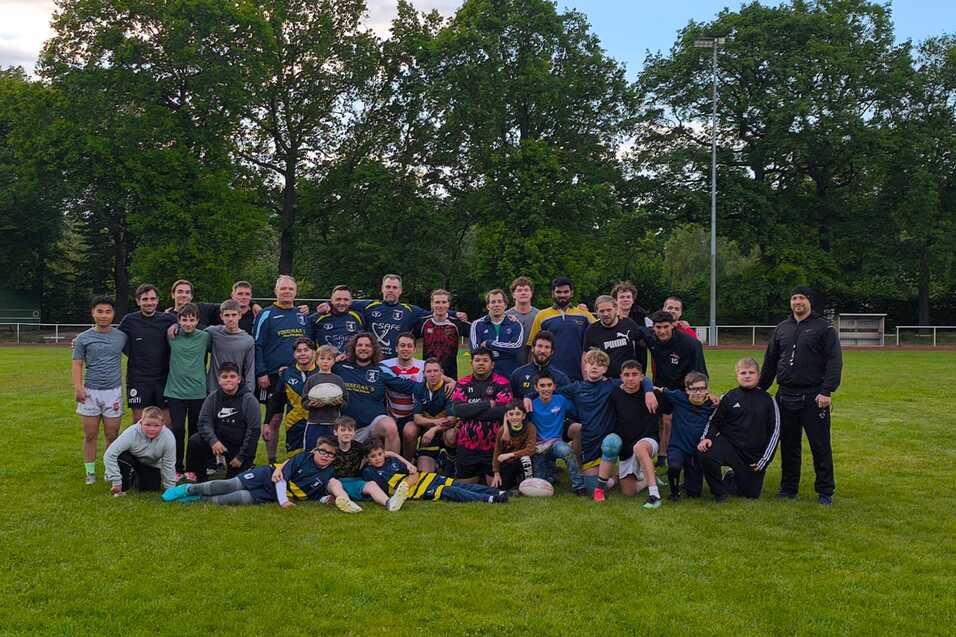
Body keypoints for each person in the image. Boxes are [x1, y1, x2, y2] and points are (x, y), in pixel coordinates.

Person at [759, 286, 843, 505]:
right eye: (794, 298)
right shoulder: (782, 328)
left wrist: (827, 391)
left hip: (814, 396)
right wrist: (760, 389)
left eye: (802, 298)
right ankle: (789, 488)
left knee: (820, 445)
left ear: (809, 301)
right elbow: (770, 361)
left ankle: (825, 491)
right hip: (785, 395)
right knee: (789, 445)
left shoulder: (824, 328)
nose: (798, 302)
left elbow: (834, 360)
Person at [533, 349, 656, 493]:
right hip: (590, 443)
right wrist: (528, 397)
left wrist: (649, 391)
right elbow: (549, 391)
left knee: (612, 443)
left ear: (605, 369)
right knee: (592, 488)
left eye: (600, 364)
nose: (595, 367)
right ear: (585, 367)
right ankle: (615, 478)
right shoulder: (576, 388)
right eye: (591, 363)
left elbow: (642, 379)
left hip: (610, 440)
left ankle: (628, 471)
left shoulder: (611, 385)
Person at [162, 437, 360, 510]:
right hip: (267, 476)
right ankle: (188, 489)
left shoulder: (328, 474)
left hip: (269, 495)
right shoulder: (303, 458)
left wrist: (326, 500)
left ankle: (197, 499)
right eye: (323, 452)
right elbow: (281, 477)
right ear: (315, 450)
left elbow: (315, 495)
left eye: (330, 455)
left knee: (231, 499)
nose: (326, 456)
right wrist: (284, 501)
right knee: (228, 485)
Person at [698, 358, 781, 501]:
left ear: (758, 375)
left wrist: (764, 460)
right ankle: (719, 492)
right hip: (730, 446)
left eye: (751, 372)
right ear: (737, 376)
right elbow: (714, 421)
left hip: (752, 454)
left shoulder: (768, 399)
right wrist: (707, 438)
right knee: (706, 452)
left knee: (750, 495)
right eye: (743, 373)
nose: (747, 376)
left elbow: (775, 431)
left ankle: (732, 476)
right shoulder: (729, 396)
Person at [253, 275, 314, 463]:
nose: (287, 292)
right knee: (274, 418)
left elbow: (310, 345)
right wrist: (261, 372)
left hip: (300, 375)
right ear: (276, 291)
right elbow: (257, 345)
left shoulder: (302, 315)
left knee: (302, 416)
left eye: (290, 289)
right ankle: (272, 461)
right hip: (273, 376)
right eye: (283, 288)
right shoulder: (266, 314)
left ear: (295, 292)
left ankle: (302, 457)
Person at [639, 310, 709, 468]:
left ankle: (681, 456)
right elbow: (637, 330)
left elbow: (701, 372)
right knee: (656, 418)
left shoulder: (691, 344)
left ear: (673, 326)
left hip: (684, 388)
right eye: (658, 327)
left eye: (666, 327)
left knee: (673, 421)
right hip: (661, 387)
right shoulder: (651, 337)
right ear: (653, 328)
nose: (662, 331)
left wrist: (701, 393)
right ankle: (657, 456)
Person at [72, 296, 127, 484]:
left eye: (108, 312)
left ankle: (110, 470)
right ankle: (90, 473)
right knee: (90, 434)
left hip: (113, 392)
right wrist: (78, 387)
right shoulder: (83, 338)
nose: (104, 315)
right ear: (93, 313)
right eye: (100, 311)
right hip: (90, 393)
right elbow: (77, 364)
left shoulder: (121, 337)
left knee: (112, 435)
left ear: (113, 314)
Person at [332, 332, 417, 452]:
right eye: (360, 345)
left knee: (390, 426)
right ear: (353, 348)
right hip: (345, 428)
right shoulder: (339, 367)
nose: (363, 348)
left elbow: (408, 385)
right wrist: (334, 359)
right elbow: (319, 371)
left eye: (368, 345)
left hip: (373, 426)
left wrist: (440, 382)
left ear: (374, 349)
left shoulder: (381, 370)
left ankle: (392, 463)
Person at [593, 361, 661, 508]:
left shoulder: (652, 394)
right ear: (621, 377)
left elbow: (679, 399)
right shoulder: (615, 394)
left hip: (648, 440)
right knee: (628, 492)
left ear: (642, 377)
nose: (630, 378)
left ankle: (654, 495)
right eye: (627, 375)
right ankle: (648, 477)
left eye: (635, 374)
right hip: (627, 445)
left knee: (640, 448)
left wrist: (709, 398)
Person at [362, 439, 507, 503]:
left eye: (380, 454)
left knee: (458, 485)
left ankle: (497, 492)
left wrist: (393, 455)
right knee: (453, 492)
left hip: (426, 478)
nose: (378, 458)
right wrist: (409, 482)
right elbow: (385, 491)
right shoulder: (370, 472)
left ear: (384, 453)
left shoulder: (392, 461)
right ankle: (490, 499)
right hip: (420, 490)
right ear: (367, 459)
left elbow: (413, 472)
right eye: (373, 456)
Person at [185, 362, 260, 481]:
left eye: (232, 376)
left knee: (234, 483)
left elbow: (253, 432)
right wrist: (213, 441)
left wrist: (241, 457)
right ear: (219, 380)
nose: (228, 380)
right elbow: (203, 422)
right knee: (195, 441)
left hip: (238, 447)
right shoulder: (213, 397)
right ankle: (200, 476)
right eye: (224, 377)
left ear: (239, 379)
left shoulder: (249, 400)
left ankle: (246, 466)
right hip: (218, 443)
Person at [449, 347, 513, 484]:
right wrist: (487, 404)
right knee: (466, 489)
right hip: (467, 445)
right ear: (471, 363)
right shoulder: (463, 383)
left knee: (496, 488)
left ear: (492, 364)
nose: (481, 363)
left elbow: (503, 411)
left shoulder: (502, 383)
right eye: (477, 360)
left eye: (485, 360)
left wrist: (469, 412)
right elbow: (458, 410)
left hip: (493, 446)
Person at [118, 283, 178, 423]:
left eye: (152, 299)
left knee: (166, 422)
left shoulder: (169, 319)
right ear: (138, 301)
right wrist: (82, 339)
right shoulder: (129, 320)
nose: (149, 302)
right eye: (145, 299)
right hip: (138, 379)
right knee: (139, 421)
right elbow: (113, 338)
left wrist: (177, 325)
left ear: (157, 300)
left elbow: (189, 329)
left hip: (164, 379)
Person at [164, 303, 211, 479]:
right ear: (179, 320)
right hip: (175, 391)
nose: (188, 323)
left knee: (194, 431)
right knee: (177, 429)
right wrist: (173, 327)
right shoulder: (172, 335)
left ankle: (192, 467)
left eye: (192, 320)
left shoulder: (205, 337)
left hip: (198, 391)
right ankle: (177, 467)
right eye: (184, 320)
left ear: (197, 320)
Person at [329, 416, 410, 513]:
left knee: (371, 484)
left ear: (354, 433)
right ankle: (348, 503)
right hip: (334, 482)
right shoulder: (330, 447)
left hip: (354, 481)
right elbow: (317, 454)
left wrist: (408, 464)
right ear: (335, 432)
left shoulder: (358, 447)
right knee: (334, 482)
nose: (346, 433)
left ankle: (390, 503)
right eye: (343, 430)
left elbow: (389, 453)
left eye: (350, 430)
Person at [658, 371, 716, 501]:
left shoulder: (711, 405)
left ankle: (690, 480)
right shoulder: (679, 397)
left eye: (702, 388)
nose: (698, 392)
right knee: (674, 466)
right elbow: (658, 389)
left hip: (697, 449)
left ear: (707, 389)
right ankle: (674, 493)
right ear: (687, 390)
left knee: (694, 494)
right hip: (678, 446)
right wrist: (648, 392)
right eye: (694, 389)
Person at [526, 277, 595, 381]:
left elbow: (602, 329)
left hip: (578, 375)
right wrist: (531, 373)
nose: (562, 295)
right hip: (549, 376)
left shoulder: (583, 314)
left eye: (566, 292)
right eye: (558, 292)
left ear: (572, 293)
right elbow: (533, 347)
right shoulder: (542, 315)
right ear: (553, 293)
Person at [528, 371, 583, 493]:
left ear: (554, 387)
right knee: (541, 482)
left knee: (567, 452)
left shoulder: (561, 400)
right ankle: (551, 474)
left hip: (556, 442)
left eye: (549, 385)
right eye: (542, 385)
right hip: (539, 446)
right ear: (536, 388)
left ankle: (579, 486)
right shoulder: (531, 405)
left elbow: (576, 412)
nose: (546, 389)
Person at [103, 406, 177, 495]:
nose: (152, 429)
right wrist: (116, 481)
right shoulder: (131, 433)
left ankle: (134, 476)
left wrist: (170, 489)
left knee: (151, 488)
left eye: (156, 425)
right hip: (131, 459)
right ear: (141, 422)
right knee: (121, 456)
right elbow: (109, 455)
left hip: (151, 464)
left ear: (162, 424)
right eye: (147, 425)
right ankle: (121, 486)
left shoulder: (168, 437)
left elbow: (169, 463)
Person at [266, 337, 319, 457]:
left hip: (316, 422)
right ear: (294, 354)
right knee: (295, 459)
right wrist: (266, 422)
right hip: (294, 423)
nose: (303, 353)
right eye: (299, 351)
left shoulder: (322, 372)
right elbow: (276, 400)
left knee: (316, 457)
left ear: (313, 352)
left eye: (306, 350)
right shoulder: (287, 373)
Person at [408, 358, 458, 473]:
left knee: (451, 435)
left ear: (442, 372)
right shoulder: (419, 388)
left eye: (435, 371)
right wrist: (434, 422)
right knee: (425, 473)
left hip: (443, 431)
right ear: (424, 374)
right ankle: (414, 460)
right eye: (429, 371)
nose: (432, 374)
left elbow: (452, 420)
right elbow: (417, 418)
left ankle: (451, 457)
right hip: (428, 435)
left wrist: (434, 429)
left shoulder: (449, 388)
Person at [381, 332, 425, 451]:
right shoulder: (384, 366)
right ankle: (391, 459)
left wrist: (451, 381)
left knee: (410, 432)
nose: (406, 349)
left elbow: (439, 376)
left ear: (415, 349)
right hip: (390, 413)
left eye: (409, 346)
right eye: (402, 345)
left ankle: (408, 459)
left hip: (413, 415)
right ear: (396, 348)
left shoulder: (423, 366)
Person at [300, 344, 349, 449]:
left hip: (333, 423)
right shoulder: (312, 380)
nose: (325, 361)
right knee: (311, 449)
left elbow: (345, 402)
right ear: (316, 361)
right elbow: (304, 401)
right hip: (314, 423)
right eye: (322, 358)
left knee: (333, 450)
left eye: (329, 359)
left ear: (334, 361)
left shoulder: (338, 380)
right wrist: (310, 404)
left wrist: (339, 403)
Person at [470, 288, 525, 380]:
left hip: (509, 373)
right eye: (493, 302)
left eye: (499, 301)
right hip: (485, 374)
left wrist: (490, 343)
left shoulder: (515, 324)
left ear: (505, 305)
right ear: (488, 306)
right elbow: (476, 350)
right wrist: (504, 350)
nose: (496, 305)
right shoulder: (477, 324)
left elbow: (516, 347)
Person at [416, 288, 470, 379]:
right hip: (428, 376)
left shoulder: (457, 323)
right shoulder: (423, 322)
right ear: (432, 304)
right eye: (437, 302)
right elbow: (408, 339)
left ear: (448, 304)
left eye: (444, 302)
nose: (440, 305)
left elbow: (477, 333)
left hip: (450, 377)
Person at [583, 295, 642, 378]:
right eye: (602, 311)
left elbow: (642, 343)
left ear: (616, 309)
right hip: (605, 379)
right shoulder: (592, 329)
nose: (606, 314)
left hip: (628, 377)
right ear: (596, 312)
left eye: (609, 310)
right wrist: (586, 377)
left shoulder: (628, 323)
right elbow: (586, 355)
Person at [205, 299, 255, 393]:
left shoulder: (248, 340)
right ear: (221, 316)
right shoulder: (212, 332)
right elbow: (192, 331)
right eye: (227, 315)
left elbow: (250, 369)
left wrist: (249, 392)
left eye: (234, 315)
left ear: (240, 315)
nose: (230, 319)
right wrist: (177, 326)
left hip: (235, 390)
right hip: (213, 390)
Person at [510, 331, 570, 400]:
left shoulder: (561, 379)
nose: (542, 351)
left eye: (547, 347)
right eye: (540, 346)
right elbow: (512, 402)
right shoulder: (518, 375)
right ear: (532, 348)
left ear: (552, 352)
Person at [491, 402, 537, 492]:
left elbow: (531, 450)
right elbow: (497, 451)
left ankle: (528, 483)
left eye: (518, 414)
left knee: (526, 459)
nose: (514, 417)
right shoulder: (502, 430)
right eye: (511, 414)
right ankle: (514, 484)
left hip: (523, 462)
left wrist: (510, 454)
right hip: (508, 463)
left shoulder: (530, 427)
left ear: (524, 416)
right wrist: (496, 473)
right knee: (502, 488)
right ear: (507, 416)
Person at [312, 285, 365, 353]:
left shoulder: (358, 317)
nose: (342, 303)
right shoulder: (317, 318)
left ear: (351, 301)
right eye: (338, 299)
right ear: (331, 300)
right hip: (326, 359)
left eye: (346, 299)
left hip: (351, 359)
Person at [611, 280, 650, 371]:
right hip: (615, 364)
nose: (625, 299)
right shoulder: (609, 318)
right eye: (622, 297)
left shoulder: (642, 317)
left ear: (633, 300)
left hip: (638, 362)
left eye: (628, 297)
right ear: (615, 300)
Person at [505, 276, 539, 366]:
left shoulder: (540, 316)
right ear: (513, 295)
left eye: (526, 290)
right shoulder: (505, 316)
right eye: (519, 290)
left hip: (534, 365)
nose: (523, 293)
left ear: (531, 293)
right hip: (510, 364)